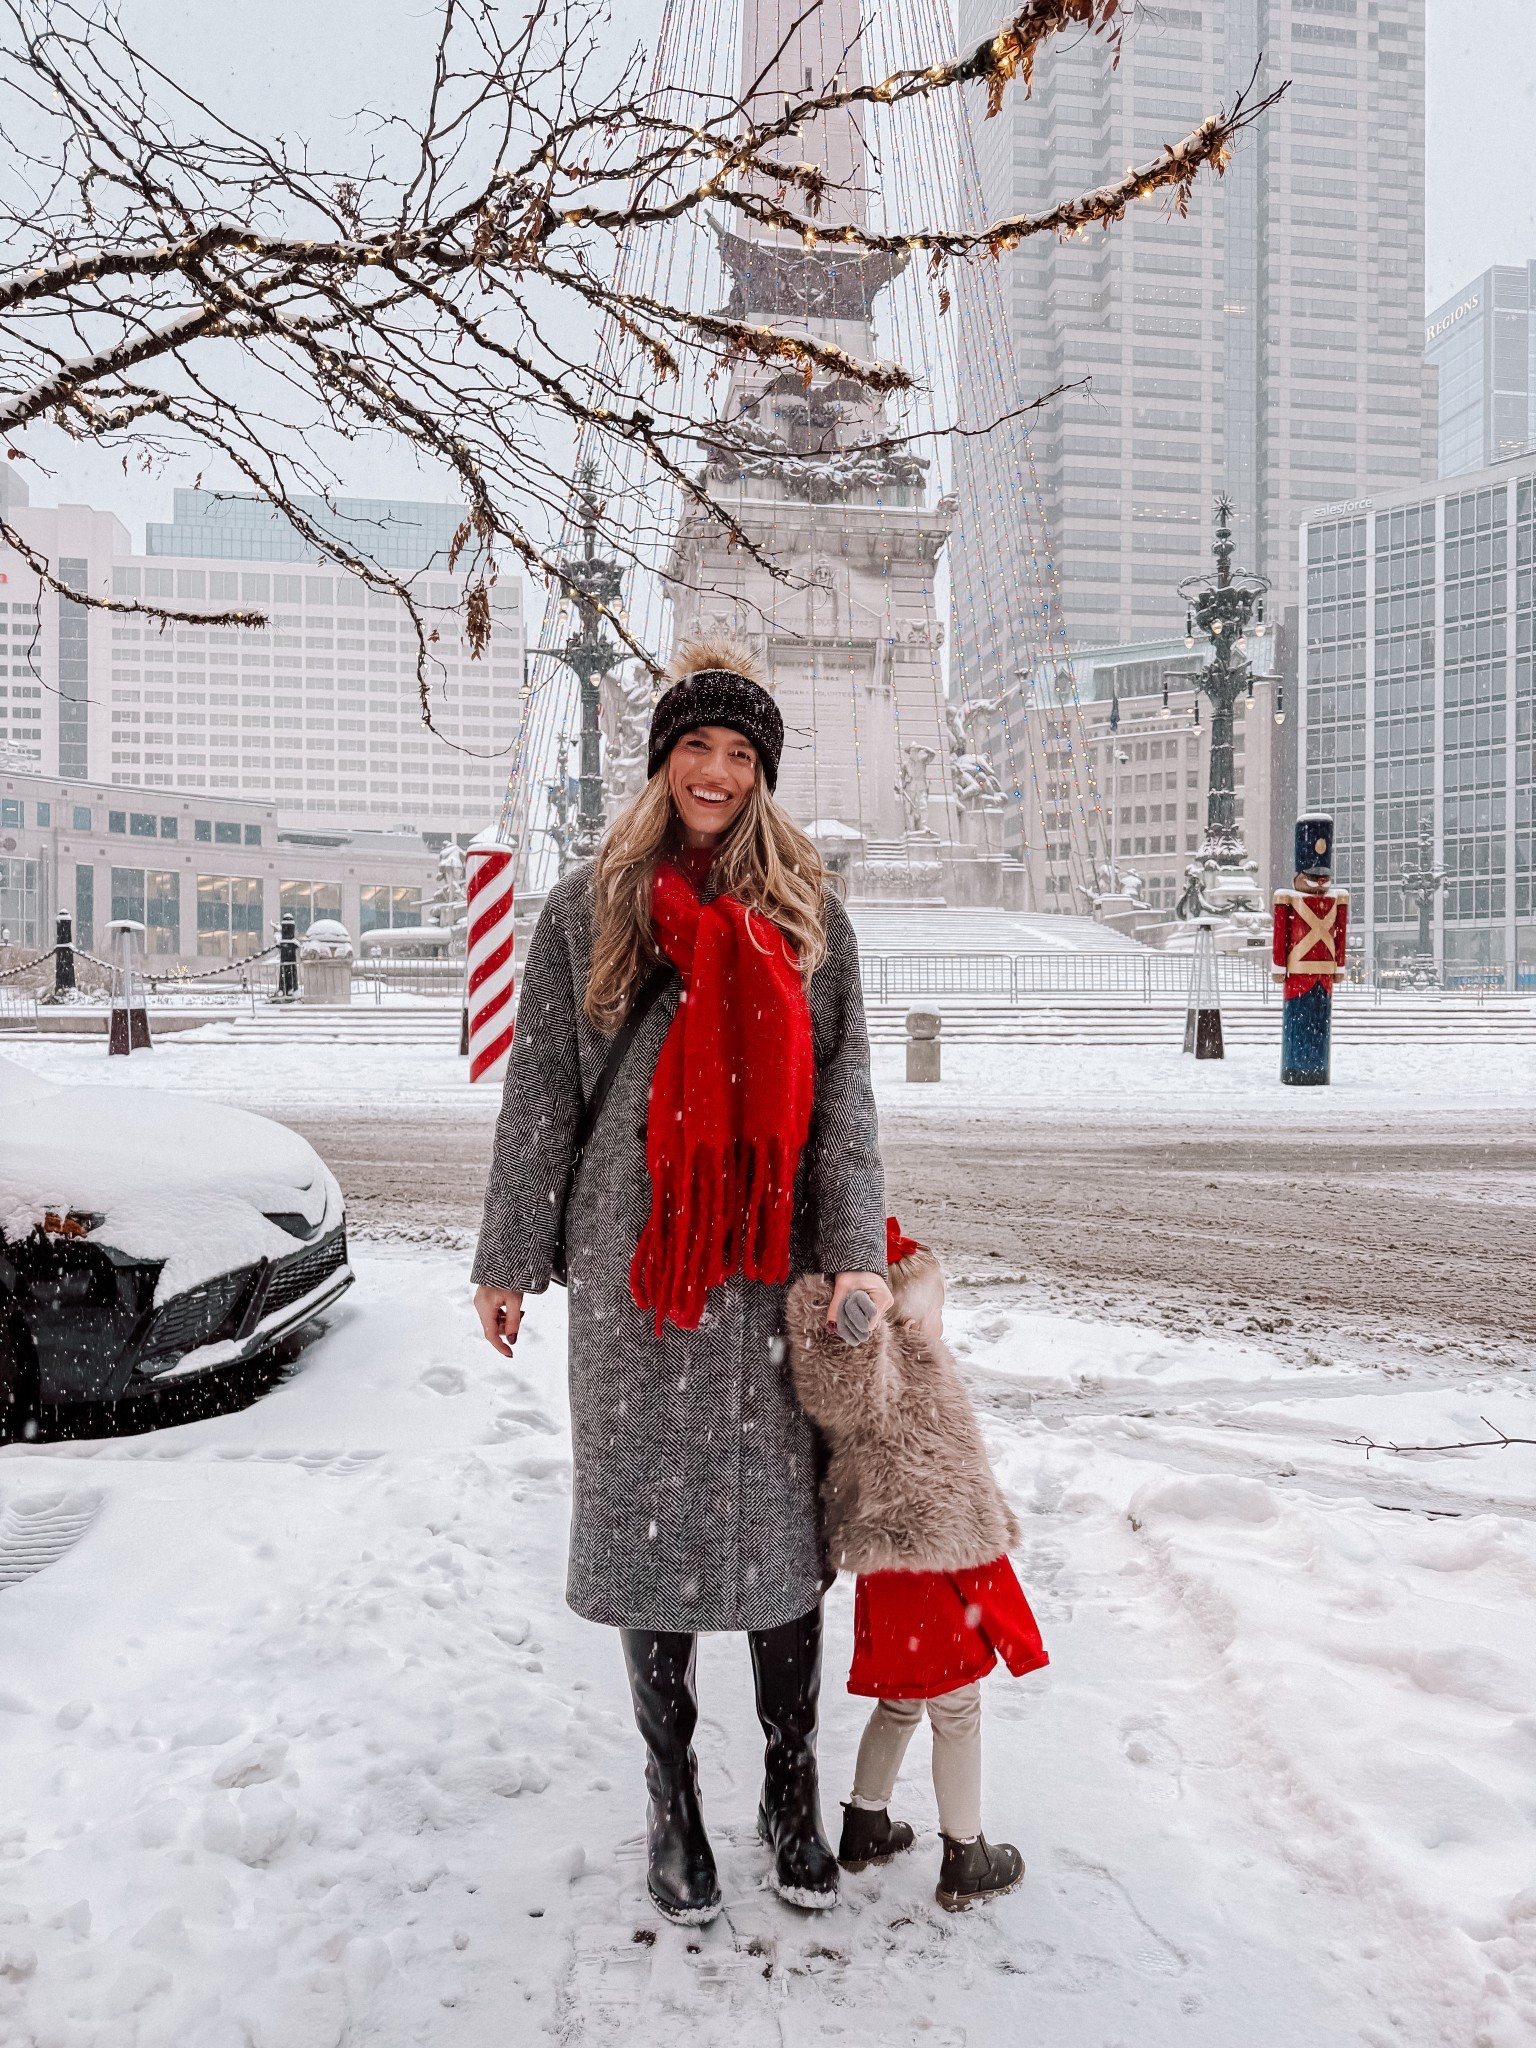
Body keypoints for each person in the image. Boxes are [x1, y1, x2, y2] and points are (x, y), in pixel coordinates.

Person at [471, 637, 891, 1926]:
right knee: (647, 1526)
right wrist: (509, 1259)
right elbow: (542, 1095)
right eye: (697, 747)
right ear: (663, 761)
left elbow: (844, 1100)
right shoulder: (587, 907)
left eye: (740, 753)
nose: (716, 771)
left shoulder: (807, 913)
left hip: (767, 1266)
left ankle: (789, 1790)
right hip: (635, 1268)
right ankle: (673, 1800)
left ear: (764, 774)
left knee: (780, 1541)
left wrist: (853, 1253)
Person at [786, 1217, 1049, 1912]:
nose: (941, 1325)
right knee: (957, 1710)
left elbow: (835, 1383)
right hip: (937, 1571)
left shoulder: (872, 1383)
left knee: (900, 1700)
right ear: (902, 1321)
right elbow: (955, 1496)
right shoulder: (913, 1380)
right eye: (935, 1313)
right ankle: (967, 1854)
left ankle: (865, 1824)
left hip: (889, 1574)